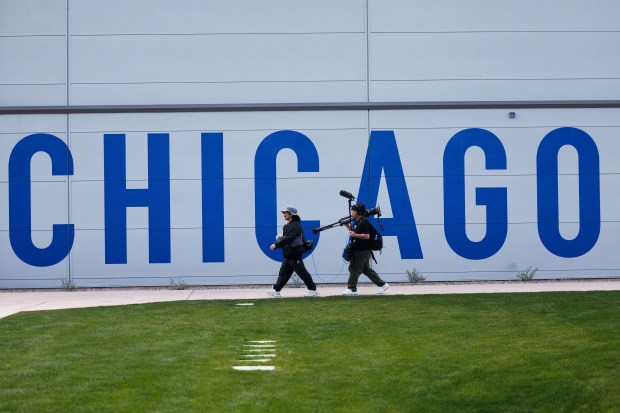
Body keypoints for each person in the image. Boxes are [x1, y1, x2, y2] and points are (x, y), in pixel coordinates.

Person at [266, 206, 320, 298]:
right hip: (289, 254)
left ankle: (313, 289)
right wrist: (280, 239)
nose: (284, 214)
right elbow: (287, 238)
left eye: (285, 213)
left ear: (291, 214)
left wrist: (276, 244)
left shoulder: (295, 225)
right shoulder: (289, 225)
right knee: (283, 273)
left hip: (294, 254)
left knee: (301, 272)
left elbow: (289, 238)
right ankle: (276, 290)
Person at [341, 203, 390, 296]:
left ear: (359, 212)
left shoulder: (363, 222)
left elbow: (367, 236)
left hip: (362, 251)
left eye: (354, 211)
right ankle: (382, 284)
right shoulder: (358, 222)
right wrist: (347, 226)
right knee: (366, 269)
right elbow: (353, 232)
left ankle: (352, 289)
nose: (352, 212)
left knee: (354, 268)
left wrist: (355, 235)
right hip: (361, 250)